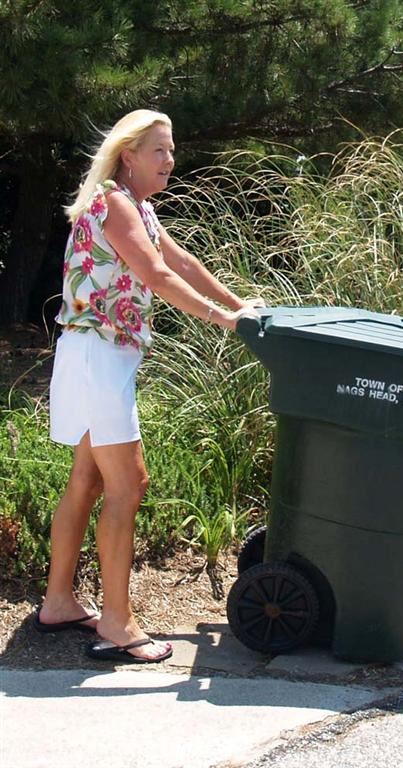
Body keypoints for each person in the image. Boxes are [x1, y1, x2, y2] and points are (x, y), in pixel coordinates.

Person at [34, 109, 261, 663]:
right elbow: (156, 275)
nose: (170, 160)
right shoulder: (114, 203)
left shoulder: (140, 209)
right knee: (129, 483)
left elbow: (181, 261)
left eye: (172, 149)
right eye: (159, 149)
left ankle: (59, 602)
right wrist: (226, 323)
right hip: (98, 357)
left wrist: (242, 304)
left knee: (87, 478)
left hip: (97, 355)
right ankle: (116, 621)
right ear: (128, 155)